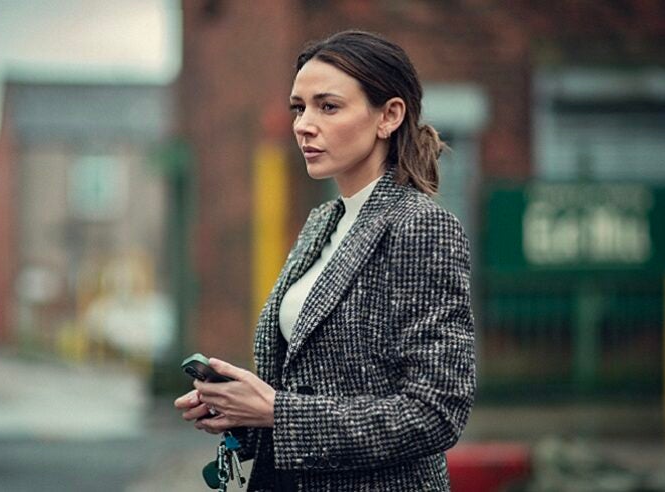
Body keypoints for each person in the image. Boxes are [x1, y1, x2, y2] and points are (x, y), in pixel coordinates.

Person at [174, 29, 475, 491]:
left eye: (328, 106)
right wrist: (241, 407)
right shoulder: (322, 223)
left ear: (389, 116)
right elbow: (308, 379)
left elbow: (435, 411)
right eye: (300, 107)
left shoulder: (420, 226)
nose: (304, 124)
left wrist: (278, 411)